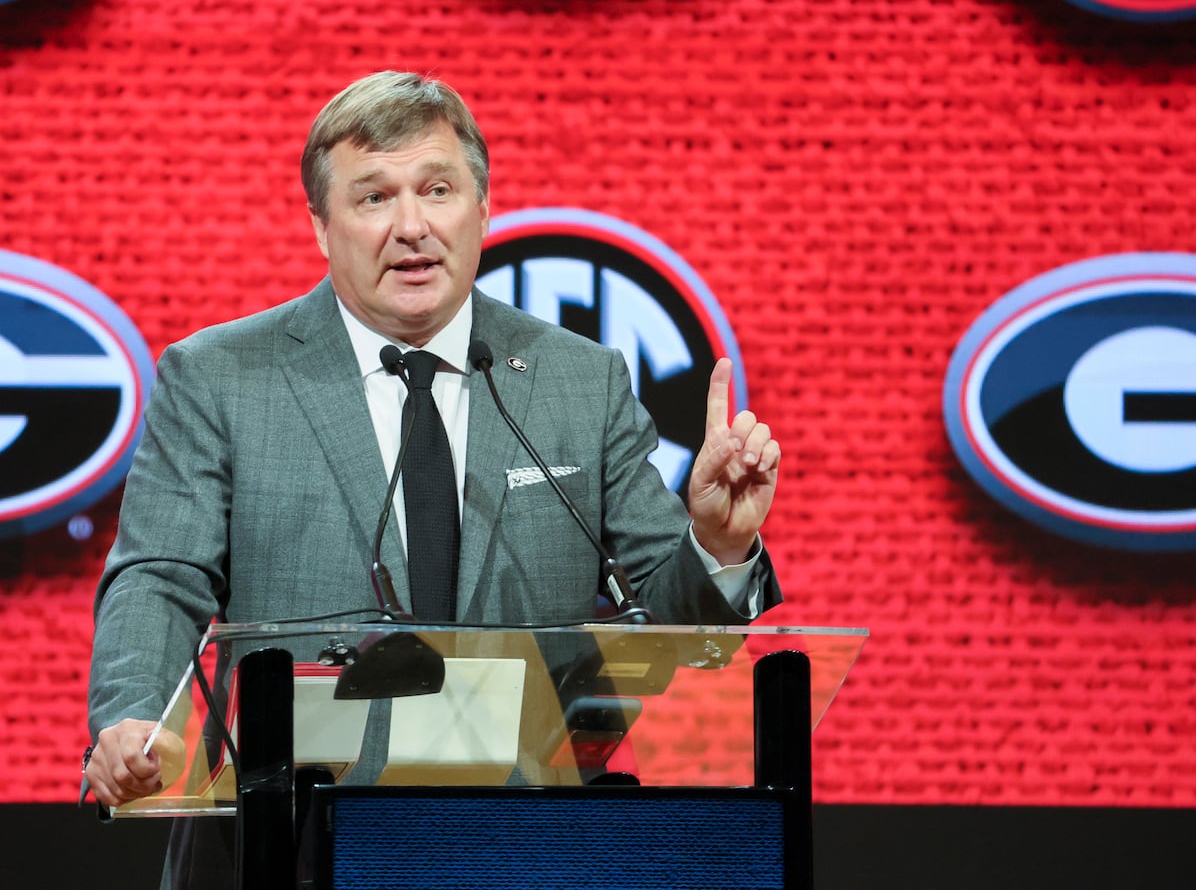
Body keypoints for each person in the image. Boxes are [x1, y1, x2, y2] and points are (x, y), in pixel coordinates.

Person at [84, 71, 783, 886]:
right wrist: (133, 718)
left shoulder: (576, 381)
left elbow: (668, 633)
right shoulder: (222, 377)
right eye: (373, 197)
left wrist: (716, 543)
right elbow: (158, 579)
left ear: (482, 208)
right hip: (288, 843)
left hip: (529, 846)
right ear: (321, 225)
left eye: (438, 189)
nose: (411, 226)